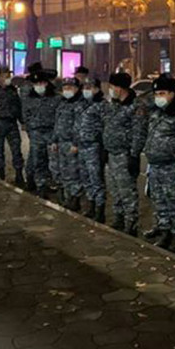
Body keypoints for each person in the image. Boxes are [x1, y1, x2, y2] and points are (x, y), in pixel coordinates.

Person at [142, 76, 175, 254]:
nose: (158, 97)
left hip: (172, 166)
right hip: (155, 165)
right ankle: (165, 233)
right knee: (160, 201)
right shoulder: (157, 112)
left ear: (172, 93)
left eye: (162, 93)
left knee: (174, 204)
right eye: (156, 93)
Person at [102, 71, 146, 236]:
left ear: (120, 88)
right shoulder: (113, 104)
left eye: (112, 86)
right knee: (115, 190)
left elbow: (139, 133)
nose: (110, 89)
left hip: (124, 155)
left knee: (127, 191)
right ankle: (118, 218)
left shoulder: (135, 106)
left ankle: (131, 223)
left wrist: (134, 155)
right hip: (111, 153)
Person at [22, 63, 60, 198]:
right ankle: (40, 186)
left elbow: (59, 117)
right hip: (36, 133)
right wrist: (30, 130)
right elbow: (26, 115)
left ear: (46, 83)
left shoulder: (56, 98)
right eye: (36, 83)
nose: (39, 85)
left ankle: (58, 186)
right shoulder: (29, 98)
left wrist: (56, 136)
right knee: (38, 161)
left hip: (51, 133)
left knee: (54, 162)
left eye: (41, 83)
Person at [74, 78, 106, 222]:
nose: (86, 90)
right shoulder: (81, 104)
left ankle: (100, 210)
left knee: (96, 179)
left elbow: (106, 126)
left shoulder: (102, 105)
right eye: (85, 87)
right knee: (85, 177)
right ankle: (90, 205)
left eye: (90, 87)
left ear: (97, 89)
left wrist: (103, 147)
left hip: (94, 146)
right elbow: (77, 125)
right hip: (82, 146)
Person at [51, 77, 83, 210]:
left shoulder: (79, 105)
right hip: (61, 142)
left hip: (71, 143)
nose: (67, 90)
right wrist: (54, 140)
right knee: (63, 171)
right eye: (64, 88)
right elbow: (57, 123)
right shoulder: (62, 104)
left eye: (70, 88)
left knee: (73, 172)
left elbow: (80, 126)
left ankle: (75, 198)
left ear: (76, 89)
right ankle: (67, 196)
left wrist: (76, 143)